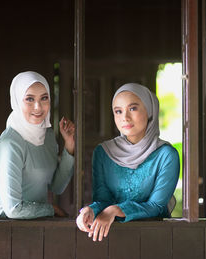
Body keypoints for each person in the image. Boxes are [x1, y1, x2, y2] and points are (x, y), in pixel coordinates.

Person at [76, 83, 180, 241]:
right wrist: (89, 210)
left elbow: (156, 207)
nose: (124, 117)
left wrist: (115, 210)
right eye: (118, 111)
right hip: (111, 237)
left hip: (155, 238)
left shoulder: (166, 155)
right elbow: (103, 200)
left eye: (133, 108)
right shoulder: (103, 152)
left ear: (149, 110)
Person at [0, 71, 75, 219]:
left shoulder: (47, 136)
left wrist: (69, 144)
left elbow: (57, 187)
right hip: (7, 228)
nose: (38, 107)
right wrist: (51, 209)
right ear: (17, 101)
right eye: (29, 99)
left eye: (44, 98)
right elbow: (13, 210)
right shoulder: (10, 144)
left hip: (38, 226)